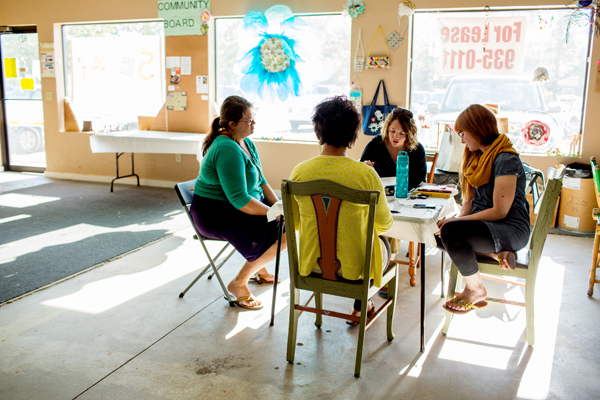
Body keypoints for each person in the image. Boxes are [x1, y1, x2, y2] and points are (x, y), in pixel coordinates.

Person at [289, 95, 393, 325]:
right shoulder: (365, 174)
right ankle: (362, 303)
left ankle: (360, 306)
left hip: (311, 264)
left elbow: (295, 224)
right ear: (352, 135)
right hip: (355, 269)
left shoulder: (299, 172)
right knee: (384, 244)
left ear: (318, 131)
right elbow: (384, 224)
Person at [190, 95, 286, 310]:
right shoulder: (226, 148)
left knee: (284, 222)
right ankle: (239, 283)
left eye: (253, 118)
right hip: (216, 214)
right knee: (286, 234)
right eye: (248, 120)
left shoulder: (246, 143)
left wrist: (279, 206)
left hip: (236, 208)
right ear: (232, 124)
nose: (253, 124)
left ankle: (259, 270)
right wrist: (276, 214)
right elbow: (240, 200)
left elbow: (261, 182)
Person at [436, 104, 530, 314]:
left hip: (510, 228)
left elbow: (500, 211)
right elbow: (469, 202)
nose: (461, 140)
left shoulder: (506, 159)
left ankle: (475, 288)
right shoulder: (477, 157)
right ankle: (498, 254)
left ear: (477, 129)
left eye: (463, 134)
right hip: (488, 226)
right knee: (436, 232)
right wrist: (455, 220)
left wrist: (455, 224)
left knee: (451, 231)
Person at [360, 107, 427, 296]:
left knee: (393, 223)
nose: (395, 137)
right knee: (385, 220)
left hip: (405, 201)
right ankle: (382, 269)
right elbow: (360, 170)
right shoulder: (376, 144)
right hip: (380, 199)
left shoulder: (417, 150)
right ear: (387, 128)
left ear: (409, 134)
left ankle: (384, 269)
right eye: (392, 131)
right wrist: (366, 168)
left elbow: (420, 182)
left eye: (402, 133)